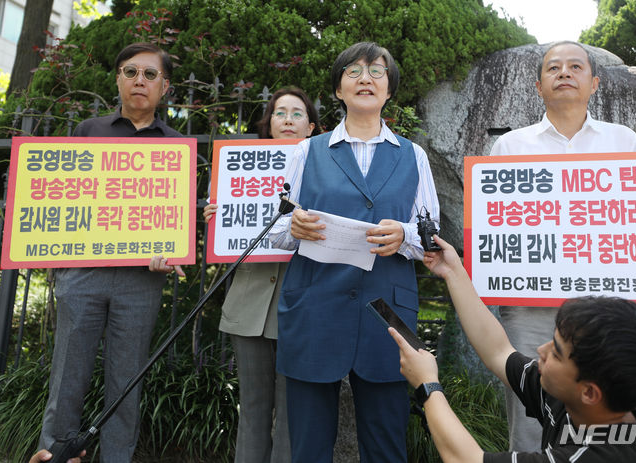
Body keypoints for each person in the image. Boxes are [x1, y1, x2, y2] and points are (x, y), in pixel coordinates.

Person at [269, 41, 440, 462]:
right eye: (354, 72)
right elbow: (273, 229)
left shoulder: (413, 156)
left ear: (389, 89)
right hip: (315, 304)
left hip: (387, 312)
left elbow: (430, 234)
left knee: (386, 441)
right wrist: (292, 226)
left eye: (377, 71)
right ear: (339, 90)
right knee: (308, 444)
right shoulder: (307, 151)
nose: (366, 78)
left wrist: (405, 235)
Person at [488, 40, 636, 451]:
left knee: (607, 409)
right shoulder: (509, 147)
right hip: (529, 306)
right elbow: (497, 226)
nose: (564, 73)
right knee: (530, 411)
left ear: (593, 82)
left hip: (607, 307)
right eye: (553, 68)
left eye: (575, 67)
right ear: (538, 85)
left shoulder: (625, 142)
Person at [390, 234, 636, 463]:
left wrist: (428, 386)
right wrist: (453, 272)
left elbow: (467, 459)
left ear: (589, 391)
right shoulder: (582, 403)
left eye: (556, 352)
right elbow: (499, 352)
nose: (541, 349)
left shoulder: (593, 456)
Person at [38, 42, 184, 463]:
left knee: (126, 385)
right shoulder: (87, 131)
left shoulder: (178, 146)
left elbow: (176, 219)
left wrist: (169, 253)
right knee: (66, 379)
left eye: (150, 75)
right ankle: (53, 456)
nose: (140, 81)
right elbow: (62, 201)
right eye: (131, 71)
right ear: (118, 78)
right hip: (83, 274)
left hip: (142, 281)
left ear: (165, 87)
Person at [203, 86, 320, 463]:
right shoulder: (239, 166)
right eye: (280, 112)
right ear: (268, 123)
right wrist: (215, 221)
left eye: (297, 113)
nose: (287, 119)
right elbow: (226, 242)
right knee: (251, 410)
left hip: (303, 305)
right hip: (249, 303)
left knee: (293, 413)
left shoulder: (326, 170)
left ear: (313, 127)